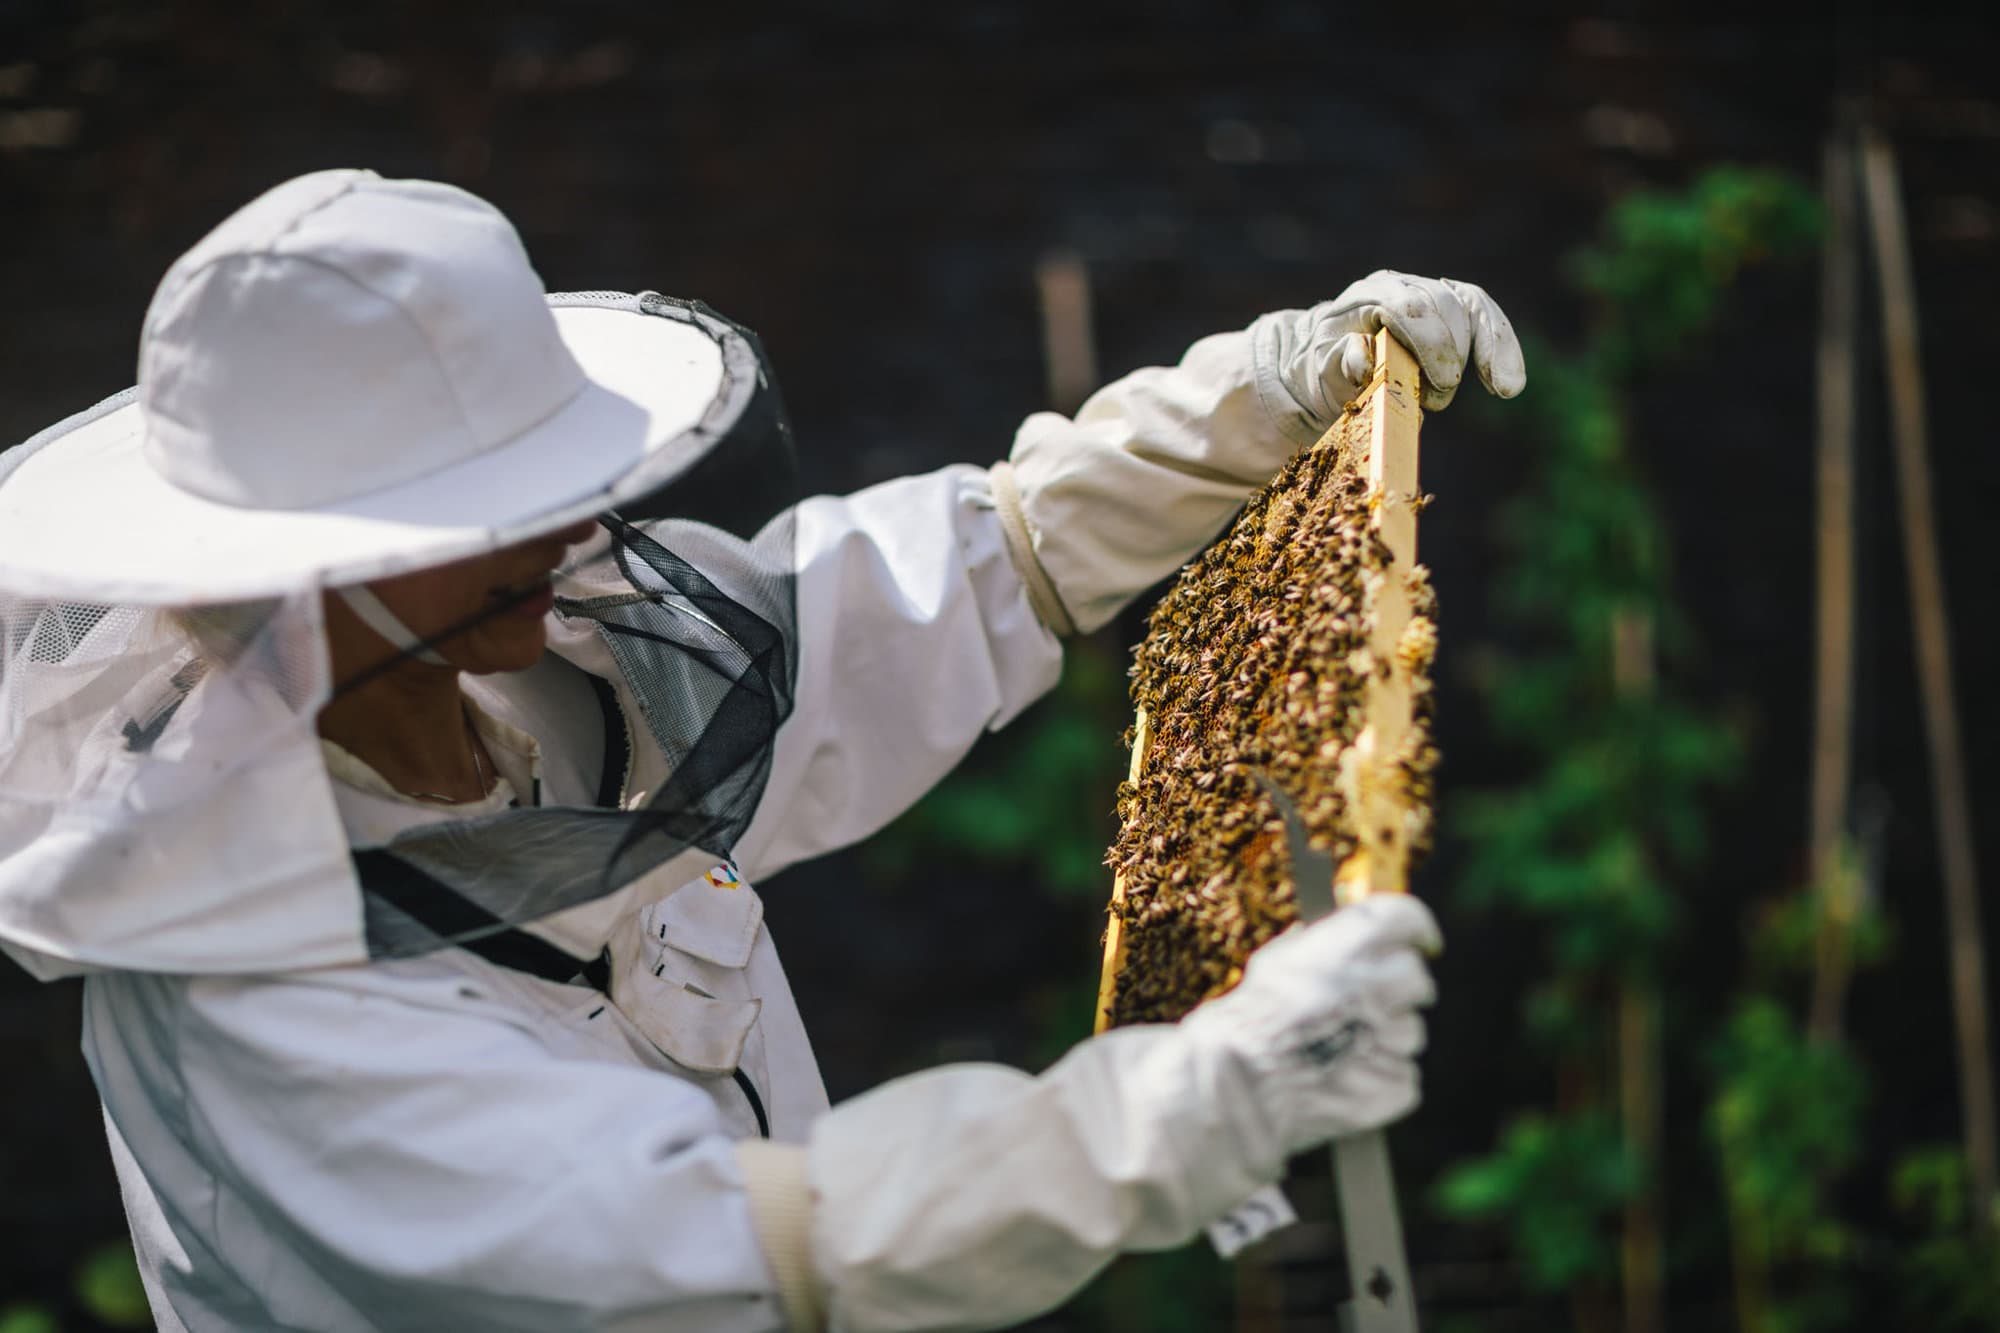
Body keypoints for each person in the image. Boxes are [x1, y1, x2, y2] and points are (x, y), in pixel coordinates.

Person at [0, 169, 1524, 1332]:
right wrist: (1176, 1114)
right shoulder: (256, 1003)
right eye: (485, 512)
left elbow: (938, 583)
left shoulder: (545, 673)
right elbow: (736, 1242)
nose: (571, 531)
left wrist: (1249, 401)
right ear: (287, 574)